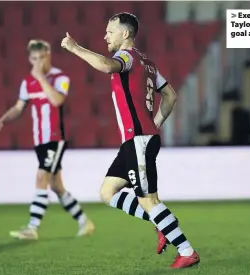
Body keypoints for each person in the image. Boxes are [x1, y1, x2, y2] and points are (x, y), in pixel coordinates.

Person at [61, 13, 200, 268]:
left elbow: (105, 65)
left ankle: (186, 250)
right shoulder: (147, 63)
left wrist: (75, 48)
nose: (105, 36)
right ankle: (161, 223)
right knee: (107, 192)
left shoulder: (125, 57)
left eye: (110, 31)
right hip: (135, 141)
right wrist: (155, 124)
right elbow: (170, 95)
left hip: (138, 140)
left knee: (149, 200)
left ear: (125, 34)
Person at [0, 39, 95, 240]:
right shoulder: (26, 82)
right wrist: (2, 120)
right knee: (56, 186)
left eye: (41, 57)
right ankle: (85, 222)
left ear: (48, 55)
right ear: (29, 59)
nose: (38, 62)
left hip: (55, 138)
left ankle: (32, 228)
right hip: (39, 139)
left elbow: (57, 100)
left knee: (41, 178)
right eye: (34, 59)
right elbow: (19, 107)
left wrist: (40, 77)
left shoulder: (59, 78)